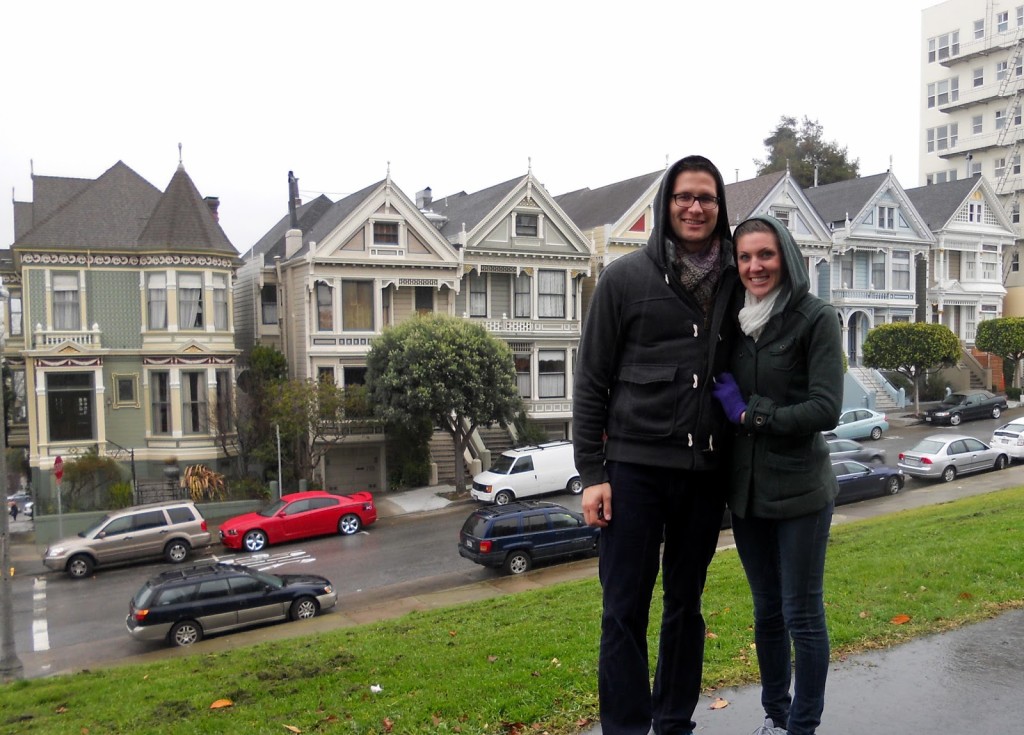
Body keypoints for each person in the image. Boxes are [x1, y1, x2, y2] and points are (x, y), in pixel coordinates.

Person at [573, 155, 739, 735]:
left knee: (685, 605)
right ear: (666, 203)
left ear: (720, 208)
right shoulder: (624, 280)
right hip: (633, 471)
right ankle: (625, 727)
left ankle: (672, 721)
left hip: (703, 472)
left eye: (707, 198)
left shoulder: (735, 281)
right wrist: (592, 473)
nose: (695, 208)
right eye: (684, 196)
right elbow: (591, 380)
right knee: (623, 609)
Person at [711, 215, 843, 735]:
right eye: (744, 257)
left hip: (801, 491)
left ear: (785, 256)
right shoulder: (735, 321)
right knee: (766, 611)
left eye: (765, 254)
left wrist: (750, 414)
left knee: (801, 614)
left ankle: (803, 726)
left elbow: (825, 409)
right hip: (748, 494)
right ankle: (777, 715)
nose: (755, 266)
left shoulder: (815, 318)